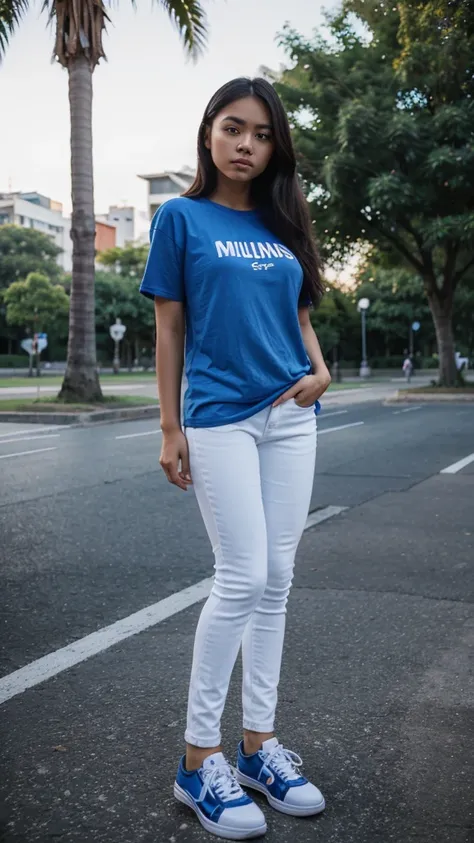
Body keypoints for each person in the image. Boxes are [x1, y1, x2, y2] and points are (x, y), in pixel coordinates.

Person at [140, 77, 331, 840]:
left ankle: (258, 745)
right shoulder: (180, 218)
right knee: (243, 574)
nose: (246, 143)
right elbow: (168, 328)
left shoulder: (284, 224)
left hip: (292, 414)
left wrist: (320, 370)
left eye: (260, 133)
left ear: (274, 145)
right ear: (209, 134)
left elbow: (301, 316)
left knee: (278, 579)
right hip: (220, 415)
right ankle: (198, 757)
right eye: (232, 127)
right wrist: (167, 425)